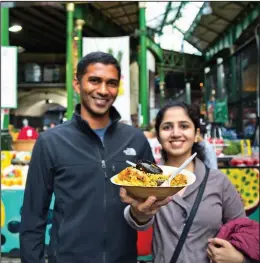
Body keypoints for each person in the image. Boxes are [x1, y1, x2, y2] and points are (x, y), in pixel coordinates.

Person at [20, 52, 156, 263]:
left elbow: (149, 202)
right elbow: (33, 217)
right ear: (77, 84)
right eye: (94, 80)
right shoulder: (50, 142)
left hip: (122, 258)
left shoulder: (135, 140)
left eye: (111, 83)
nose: (103, 90)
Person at [121, 101, 256, 263]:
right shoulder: (148, 179)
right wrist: (139, 213)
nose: (176, 133)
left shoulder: (218, 182)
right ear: (158, 135)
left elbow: (245, 231)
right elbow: (137, 220)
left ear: (196, 133)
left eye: (184, 126)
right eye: (167, 127)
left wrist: (239, 258)